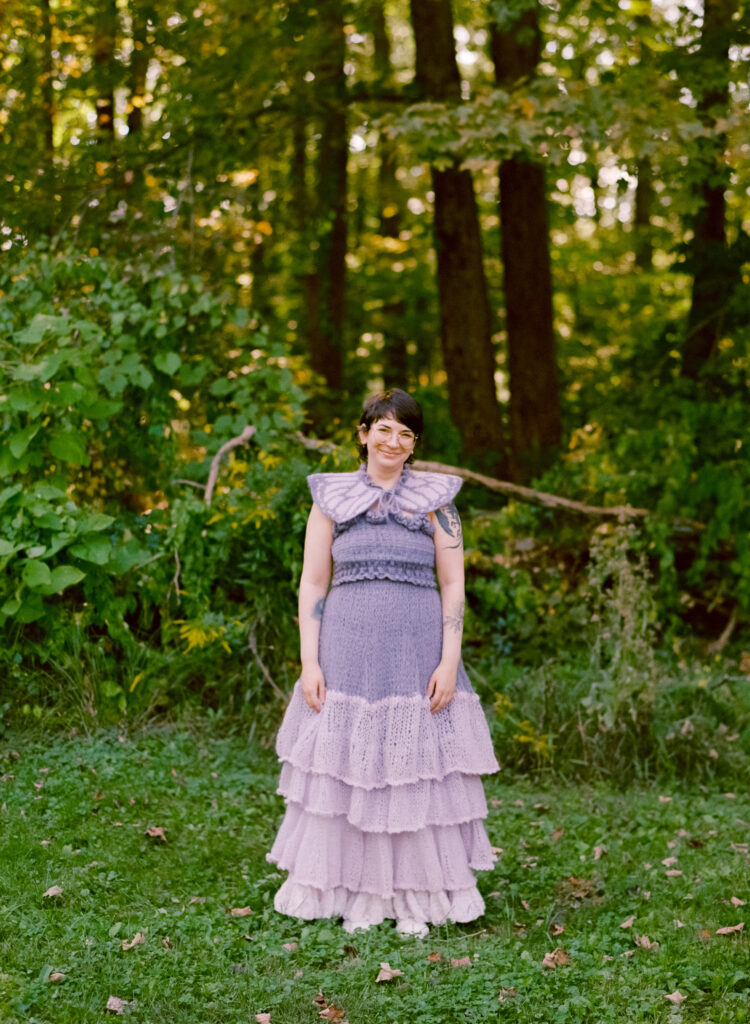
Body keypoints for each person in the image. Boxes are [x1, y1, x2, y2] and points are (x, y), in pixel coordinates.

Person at [267, 388, 499, 937]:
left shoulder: (439, 503)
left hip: (418, 656)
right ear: (363, 432)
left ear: (414, 444)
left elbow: (454, 584)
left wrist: (449, 659)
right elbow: (313, 582)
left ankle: (418, 892)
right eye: (385, 429)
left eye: (406, 434)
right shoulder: (331, 500)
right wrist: (309, 661)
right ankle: (345, 888)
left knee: (414, 771)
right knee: (351, 769)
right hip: (345, 655)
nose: (394, 441)